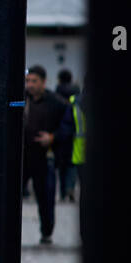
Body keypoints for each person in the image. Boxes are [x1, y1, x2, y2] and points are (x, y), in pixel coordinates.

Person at [23, 65, 72, 243]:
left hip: (44, 156)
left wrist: (53, 137)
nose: (30, 85)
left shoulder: (57, 103)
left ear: (44, 82)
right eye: (27, 81)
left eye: (34, 81)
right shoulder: (21, 99)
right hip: (22, 155)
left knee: (45, 196)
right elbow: (8, 107)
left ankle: (46, 231)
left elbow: (68, 125)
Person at [55, 69, 80, 202]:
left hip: (61, 129)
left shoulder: (58, 90)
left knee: (61, 164)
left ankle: (63, 191)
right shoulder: (76, 90)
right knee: (72, 164)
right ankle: (70, 187)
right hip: (75, 131)